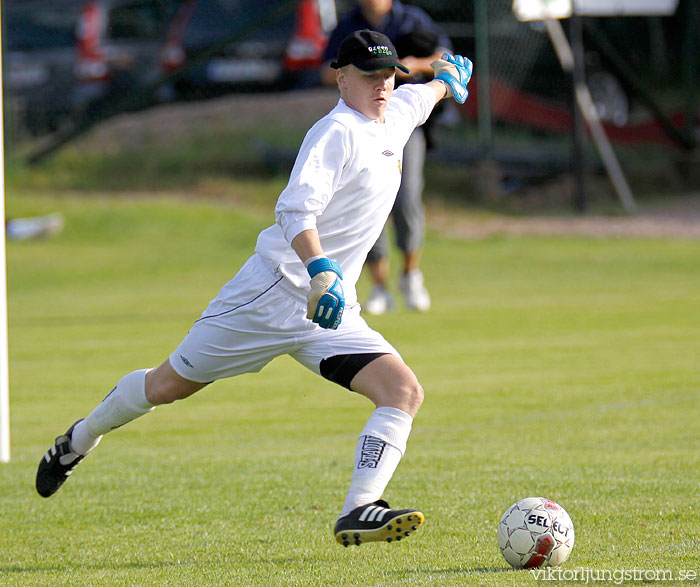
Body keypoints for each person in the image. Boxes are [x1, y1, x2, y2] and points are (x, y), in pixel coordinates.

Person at [36, 29, 472, 547]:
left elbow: (423, 96)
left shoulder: (397, 111)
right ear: (341, 77)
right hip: (270, 296)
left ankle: (359, 509)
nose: (381, 84)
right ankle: (77, 441)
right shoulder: (335, 133)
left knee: (403, 392)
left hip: (329, 314)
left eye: (387, 75)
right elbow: (294, 209)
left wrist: (446, 79)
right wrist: (321, 270)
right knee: (166, 386)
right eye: (368, 74)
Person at [322, 0, 453, 315]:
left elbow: (445, 58)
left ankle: (410, 275)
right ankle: (379, 287)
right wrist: (357, 70)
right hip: (361, 125)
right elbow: (326, 70)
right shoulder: (348, 25)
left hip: (404, 123)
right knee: (366, 199)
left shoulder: (412, 19)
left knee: (406, 198)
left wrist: (412, 64)